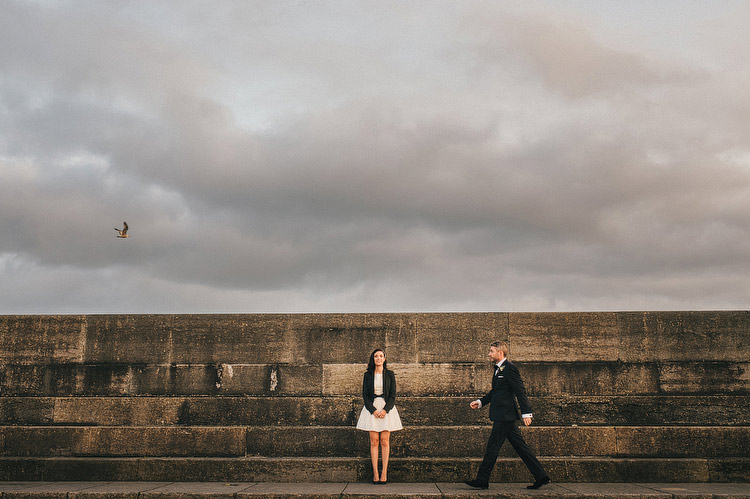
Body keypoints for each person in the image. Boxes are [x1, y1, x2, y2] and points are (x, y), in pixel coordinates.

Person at [465, 341, 550, 490]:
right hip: (504, 416)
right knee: (521, 447)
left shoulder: (510, 369)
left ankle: (482, 479)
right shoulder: (498, 369)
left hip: (505, 415)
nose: (489, 354)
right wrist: (480, 402)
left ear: (500, 353)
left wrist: (526, 413)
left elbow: (520, 391)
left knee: (492, 447)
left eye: (491, 351)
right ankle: (541, 476)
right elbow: (496, 392)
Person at [355, 348, 403, 484]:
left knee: (385, 441)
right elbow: (365, 394)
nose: (378, 358)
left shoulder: (390, 375)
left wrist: (385, 410)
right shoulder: (367, 375)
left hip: (387, 408)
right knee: (374, 441)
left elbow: (393, 394)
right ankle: (375, 473)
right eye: (376, 356)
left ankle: (384, 473)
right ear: (373, 359)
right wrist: (373, 410)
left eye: (381, 356)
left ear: (384, 359)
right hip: (372, 408)